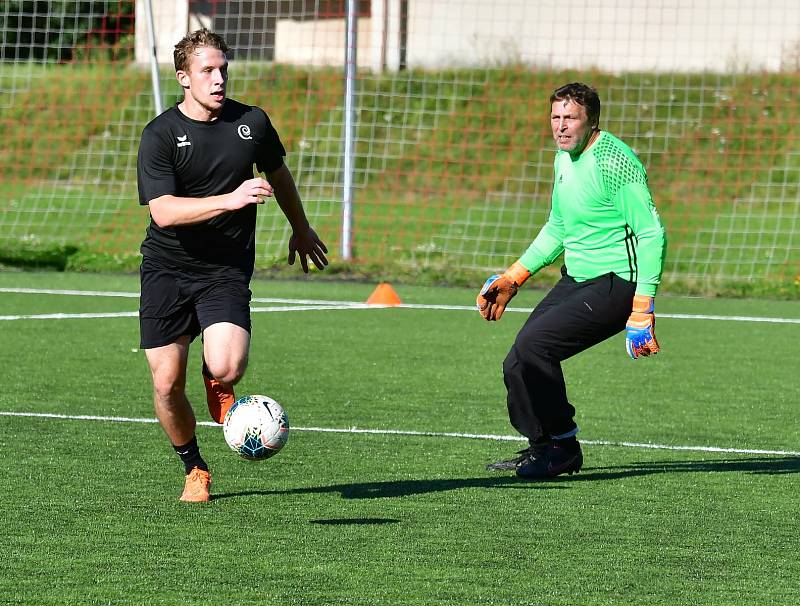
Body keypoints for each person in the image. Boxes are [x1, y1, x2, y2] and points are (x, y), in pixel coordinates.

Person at [136, 29, 328, 502]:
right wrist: (232, 199)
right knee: (165, 384)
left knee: (227, 367)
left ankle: (214, 376)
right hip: (167, 268)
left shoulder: (252, 122)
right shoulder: (160, 135)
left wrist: (300, 228)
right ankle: (195, 467)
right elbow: (163, 211)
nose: (218, 78)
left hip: (224, 268)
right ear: (184, 78)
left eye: (223, 68)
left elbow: (278, 174)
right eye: (207, 70)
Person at [476, 82, 666, 480]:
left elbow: (651, 233)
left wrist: (642, 307)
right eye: (555, 117)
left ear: (592, 121)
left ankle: (562, 445)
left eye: (570, 118)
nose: (561, 127)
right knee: (517, 361)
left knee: (535, 346)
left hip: (618, 282)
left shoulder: (614, 162)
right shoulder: (563, 159)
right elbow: (559, 226)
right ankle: (544, 447)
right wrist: (515, 275)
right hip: (578, 278)